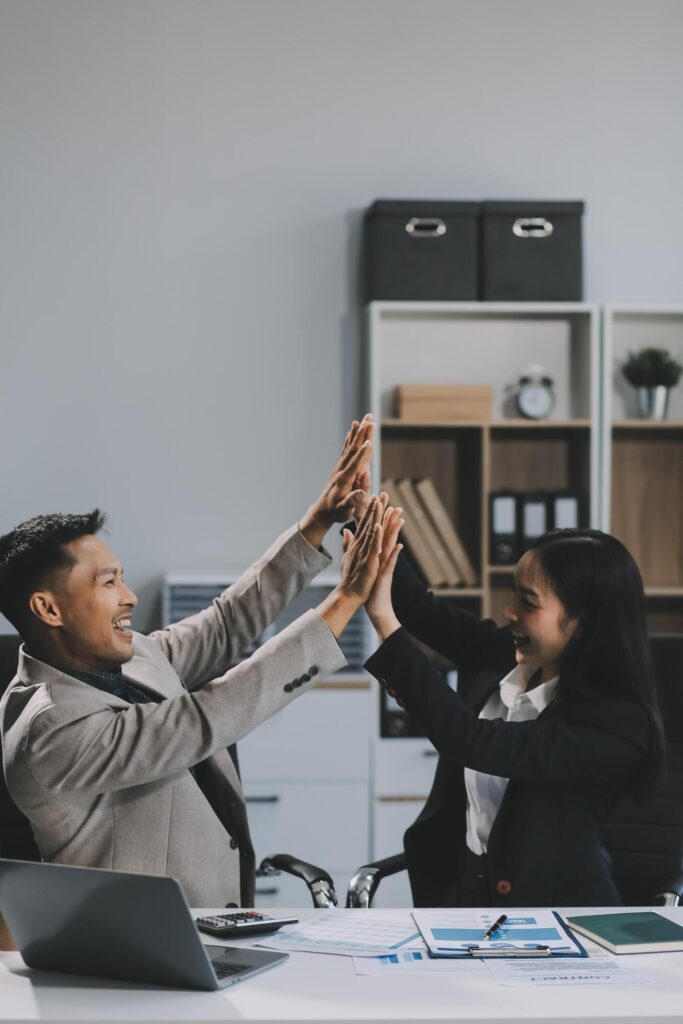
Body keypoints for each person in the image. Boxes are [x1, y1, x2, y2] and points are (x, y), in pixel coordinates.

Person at [0, 417, 384, 908]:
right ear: (48, 609)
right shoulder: (47, 729)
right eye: (108, 582)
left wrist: (319, 521)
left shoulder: (127, 655)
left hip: (212, 930)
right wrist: (347, 598)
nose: (130, 596)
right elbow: (204, 717)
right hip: (134, 957)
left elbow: (225, 624)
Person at [361, 504, 665, 907]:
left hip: (560, 921)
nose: (509, 612)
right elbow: (422, 611)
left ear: (581, 624)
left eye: (529, 602)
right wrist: (364, 516)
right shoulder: (504, 654)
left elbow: (470, 740)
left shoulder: (618, 725)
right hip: (463, 898)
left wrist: (383, 620)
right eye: (513, 594)